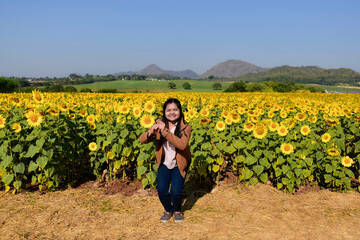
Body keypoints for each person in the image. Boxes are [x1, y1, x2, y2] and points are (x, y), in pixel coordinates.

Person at [139, 98, 192, 222]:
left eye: (175, 109)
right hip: (164, 162)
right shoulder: (159, 125)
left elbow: (182, 145)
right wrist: (151, 131)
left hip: (179, 163)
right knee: (162, 190)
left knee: (176, 192)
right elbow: (142, 140)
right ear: (164, 112)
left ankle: (178, 210)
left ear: (180, 111)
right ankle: (168, 209)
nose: (172, 113)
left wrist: (165, 131)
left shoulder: (186, 128)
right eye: (168, 110)